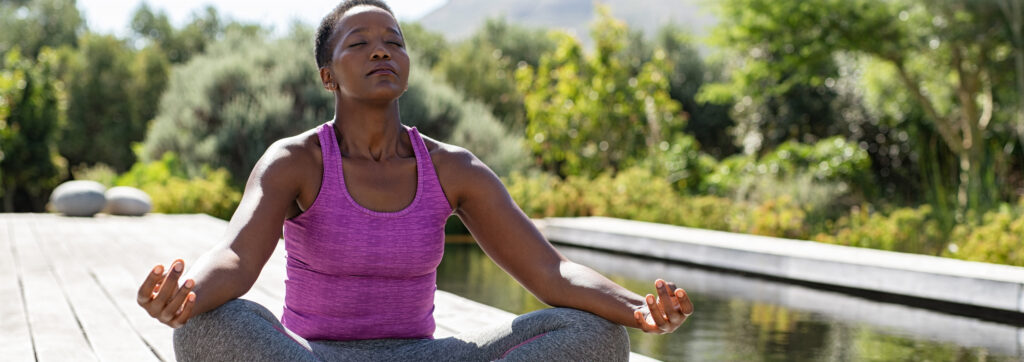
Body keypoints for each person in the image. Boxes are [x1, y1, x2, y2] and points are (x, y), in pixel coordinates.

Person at [136, 1, 692, 360]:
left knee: (595, 336)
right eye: (359, 42)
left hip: (425, 357)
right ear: (328, 75)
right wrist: (187, 296)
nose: (381, 48)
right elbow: (235, 255)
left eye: (394, 40)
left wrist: (635, 307)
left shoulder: (453, 168)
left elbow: (550, 270)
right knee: (208, 327)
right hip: (312, 357)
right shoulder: (296, 160)